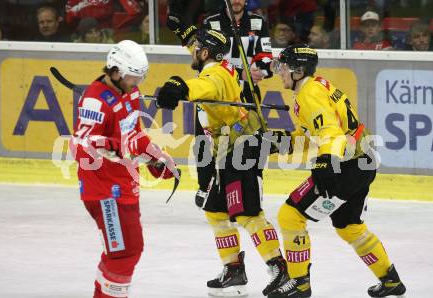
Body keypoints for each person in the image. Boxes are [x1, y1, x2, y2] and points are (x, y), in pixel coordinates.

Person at [156, 27, 290, 297]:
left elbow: (202, 87)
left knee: (247, 213)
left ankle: (280, 268)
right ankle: (234, 270)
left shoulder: (214, 74)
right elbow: (200, 69)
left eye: (196, 49)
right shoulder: (223, 65)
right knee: (215, 210)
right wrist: (186, 34)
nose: (192, 52)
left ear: (205, 53)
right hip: (226, 150)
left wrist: (179, 86)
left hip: (242, 148)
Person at [267, 44, 406, 298]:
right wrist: (275, 142)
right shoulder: (316, 87)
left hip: (346, 166)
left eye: (284, 67)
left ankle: (299, 283)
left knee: (290, 216)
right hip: (362, 162)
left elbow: (330, 132)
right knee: (348, 225)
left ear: (298, 71)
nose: (280, 72)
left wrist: (325, 164)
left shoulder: (309, 93)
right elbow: (314, 134)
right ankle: (390, 279)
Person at [71, 40, 178, 298]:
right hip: (106, 192)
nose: (137, 82)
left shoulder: (130, 92)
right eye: (133, 76)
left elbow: (135, 134)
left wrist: (156, 156)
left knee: (120, 252)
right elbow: (80, 147)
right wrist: (109, 145)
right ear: (115, 71)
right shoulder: (95, 103)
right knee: (126, 251)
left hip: (125, 186)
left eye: (141, 76)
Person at [195, 0, 274, 214]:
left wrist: (261, 69)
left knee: (255, 139)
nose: (237, 1)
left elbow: (266, 55)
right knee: (205, 139)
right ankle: (206, 186)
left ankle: (254, 184)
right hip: (217, 91)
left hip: (247, 93)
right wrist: (240, 73)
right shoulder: (212, 22)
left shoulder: (258, 22)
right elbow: (209, 59)